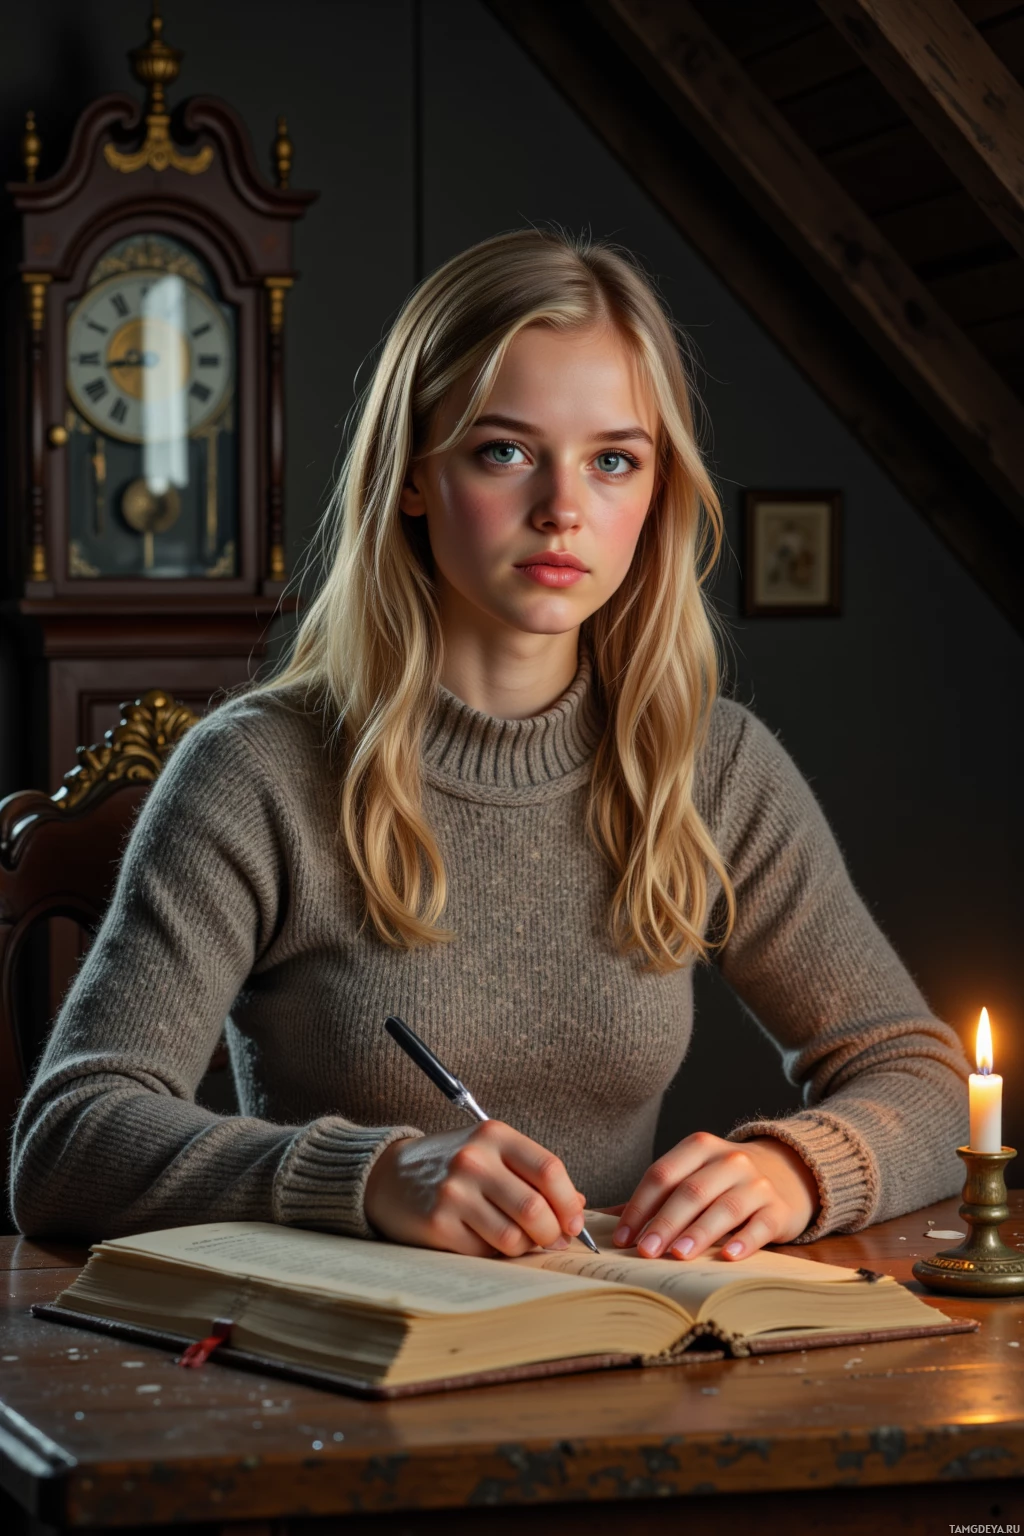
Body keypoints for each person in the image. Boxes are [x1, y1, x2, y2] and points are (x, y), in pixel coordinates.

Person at [11, 229, 971, 1265]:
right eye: (503, 451)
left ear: (653, 498)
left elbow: (925, 1082)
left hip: (617, 1353)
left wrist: (797, 1169)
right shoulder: (256, 773)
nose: (564, 510)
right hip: (340, 1377)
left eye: (612, 461)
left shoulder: (712, 767)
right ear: (415, 475)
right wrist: (370, 1177)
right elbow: (68, 1144)